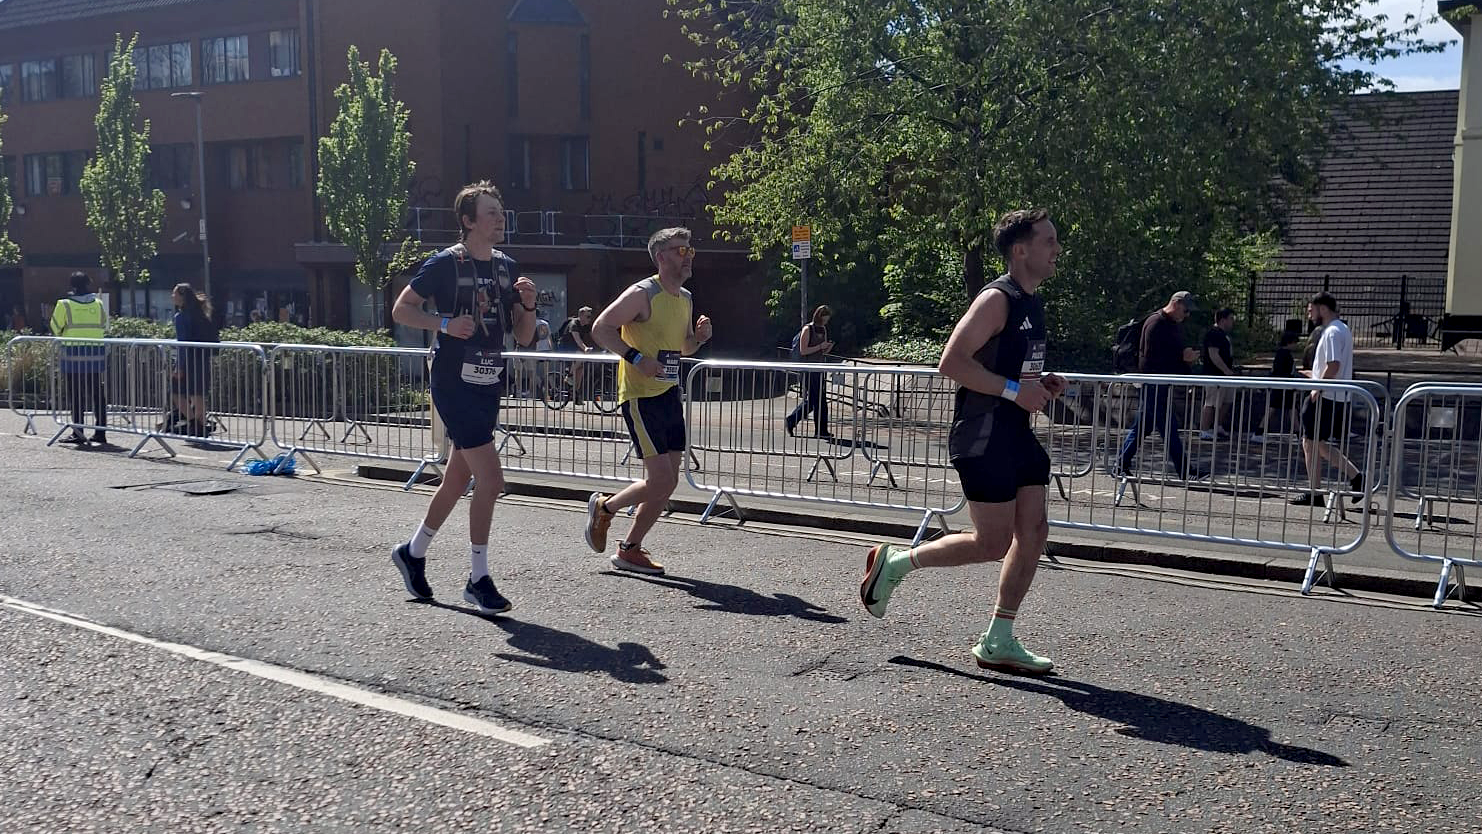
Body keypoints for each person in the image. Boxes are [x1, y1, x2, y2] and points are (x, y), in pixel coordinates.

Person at [858, 208, 1068, 674]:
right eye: (1049, 241)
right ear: (1020, 250)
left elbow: (1002, 366)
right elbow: (951, 362)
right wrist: (1016, 389)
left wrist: (1038, 381)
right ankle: (896, 562)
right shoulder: (997, 299)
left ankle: (999, 637)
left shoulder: (1032, 301)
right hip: (984, 435)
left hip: (1016, 433)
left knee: (1033, 531)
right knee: (992, 543)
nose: (1057, 249)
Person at [389, 181, 536, 615]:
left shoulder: (508, 268)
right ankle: (478, 578)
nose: (500, 217)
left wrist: (527, 305)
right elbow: (402, 309)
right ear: (468, 221)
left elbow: (524, 337)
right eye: (490, 212)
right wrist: (445, 324)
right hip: (453, 380)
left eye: (501, 210)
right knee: (491, 481)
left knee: (457, 478)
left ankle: (412, 553)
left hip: (489, 379)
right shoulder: (445, 264)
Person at [583, 227, 712, 575]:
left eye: (690, 250)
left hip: (669, 393)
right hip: (640, 396)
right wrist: (638, 359)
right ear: (661, 256)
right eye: (680, 250)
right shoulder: (642, 293)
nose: (687, 256)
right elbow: (601, 328)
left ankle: (629, 550)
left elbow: (683, 347)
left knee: (669, 482)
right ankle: (605, 508)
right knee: (658, 480)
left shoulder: (684, 297)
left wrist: (698, 339)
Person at [1116, 291, 1204, 478]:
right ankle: (1185, 471)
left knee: (1143, 427)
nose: (1187, 315)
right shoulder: (1156, 323)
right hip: (1154, 383)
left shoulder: (1169, 324)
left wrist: (1184, 360)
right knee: (1168, 427)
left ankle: (1120, 464)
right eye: (1186, 310)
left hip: (1158, 383)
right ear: (1177, 304)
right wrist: (1182, 358)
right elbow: (1149, 358)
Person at [1291, 292, 1363, 507]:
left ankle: (1322, 489)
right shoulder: (1343, 329)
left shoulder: (1331, 332)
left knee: (1310, 442)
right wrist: (1314, 375)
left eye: (1312, 309)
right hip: (1335, 395)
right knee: (1315, 443)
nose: (1309, 313)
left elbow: (1333, 364)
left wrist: (1317, 386)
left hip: (1326, 396)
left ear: (1323, 308)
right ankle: (1352, 478)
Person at [49, 272, 109, 446]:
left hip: (72, 354)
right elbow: (105, 325)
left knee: (76, 394)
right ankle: (101, 432)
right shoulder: (98, 303)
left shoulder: (64, 304)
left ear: (72, 285)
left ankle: (78, 432)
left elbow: (55, 326)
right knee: (97, 393)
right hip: (95, 354)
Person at [170, 283, 219, 437]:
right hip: (202, 358)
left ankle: (193, 423)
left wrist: (179, 366)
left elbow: (182, 344)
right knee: (198, 394)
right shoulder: (202, 314)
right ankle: (201, 425)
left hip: (189, 359)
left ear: (182, 297)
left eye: (174, 294)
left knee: (176, 393)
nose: (172, 297)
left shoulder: (180, 317)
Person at [784, 305, 836, 438]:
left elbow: (822, 352)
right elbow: (803, 350)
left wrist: (827, 347)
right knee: (817, 400)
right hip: (808, 368)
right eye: (825, 318)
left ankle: (794, 421)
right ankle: (817, 429)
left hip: (818, 367)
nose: (826, 322)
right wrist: (820, 346)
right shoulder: (808, 329)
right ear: (819, 316)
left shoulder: (823, 329)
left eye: (827, 319)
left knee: (816, 400)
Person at [1254, 330, 1302, 441]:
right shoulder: (1284, 355)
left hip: (1282, 386)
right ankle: (1259, 432)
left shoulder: (1281, 354)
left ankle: (1297, 432)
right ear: (1290, 342)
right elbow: (1281, 371)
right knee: (1286, 409)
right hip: (1283, 386)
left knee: (1289, 408)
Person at [1198, 307, 1237, 440]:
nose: (1233, 322)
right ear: (1223, 320)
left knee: (1227, 400)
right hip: (1214, 374)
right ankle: (1204, 429)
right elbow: (1213, 354)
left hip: (1226, 375)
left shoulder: (1223, 334)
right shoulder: (1213, 333)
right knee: (1212, 402)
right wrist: (1226, 370)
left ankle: (1217, 425)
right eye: (1231, 319)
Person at [559, 306, 597, 402]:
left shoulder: (586, 326)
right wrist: (585, 348)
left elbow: (595, 338)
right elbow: (578, 340)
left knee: (581, 369)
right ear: (581, 316)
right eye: (587, 316)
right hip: (565, 347)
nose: (589, 319)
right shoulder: (574, 324)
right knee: (581, 355)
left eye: (590, 317)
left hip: (575, 347)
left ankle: (575, 393)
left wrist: (605, 347)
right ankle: (570, 376)